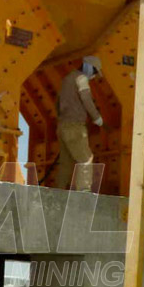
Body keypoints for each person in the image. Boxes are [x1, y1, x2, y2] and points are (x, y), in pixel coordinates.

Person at [56, 55, 104, 192]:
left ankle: (59, 193)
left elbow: (57, 103)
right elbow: (86, 99)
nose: (94, 75)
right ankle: (83, 194)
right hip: (75, 127)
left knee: (65, 163)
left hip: (62, 127)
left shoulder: (67, 79)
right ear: (89, 67)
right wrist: (97, 118)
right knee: (86, 159)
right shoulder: (81, 78)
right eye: (95, 71)